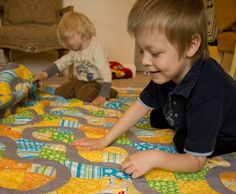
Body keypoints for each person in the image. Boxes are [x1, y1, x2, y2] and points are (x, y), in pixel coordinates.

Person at [71, 0, 236, 178]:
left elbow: (195, 162)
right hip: (195, 109)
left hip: (227, 134)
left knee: (181, 143)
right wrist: (104, 139)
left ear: (191, 45)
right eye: (142, 51)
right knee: (157, 116)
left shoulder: (209, 91)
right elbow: (140, 106)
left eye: (155, 53)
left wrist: (156, 157)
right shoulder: (168, 71)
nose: (144, 61)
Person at [35, 11, 117, 106]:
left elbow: (106, 74)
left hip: (96, 83)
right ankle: (78, 91)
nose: (66, 44)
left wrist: (103, 95)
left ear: (80, 32)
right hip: (80, 81)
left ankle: (110, 92)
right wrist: (44, 74)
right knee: (61, 91)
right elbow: (62, 62)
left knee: (85, 94)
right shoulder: (74, 50)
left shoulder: (96, 49)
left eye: (67, 39)